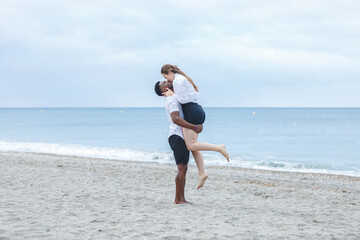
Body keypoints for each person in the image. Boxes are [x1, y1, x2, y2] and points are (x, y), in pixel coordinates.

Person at [161, 64, 230, 163]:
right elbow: (194, 95)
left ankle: (219, 148)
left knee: (190, 146)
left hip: (191, 112)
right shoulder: (183, 78)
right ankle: (202, 173)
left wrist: (172, 95)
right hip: (197, 110)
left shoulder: (177, 81)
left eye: (165, 77)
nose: (167, 80)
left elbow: (183, 100)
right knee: (194, 145)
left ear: (169, 73)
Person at [154, 80, 203, 203]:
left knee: (184, 167)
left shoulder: (174, 97)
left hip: (180, 136)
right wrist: (194, 127)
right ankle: (177, 199)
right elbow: (176, 119)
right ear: (164, 89)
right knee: (182, 168)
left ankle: (181, 198)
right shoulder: (171, 100)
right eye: (164, 82)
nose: (167, 81)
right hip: (177, 136)